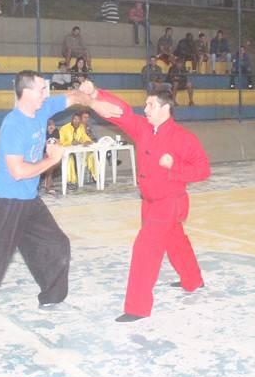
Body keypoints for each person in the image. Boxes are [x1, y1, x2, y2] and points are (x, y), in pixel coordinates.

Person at [0, 70, 122, 344]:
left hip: (29, 202)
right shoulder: (13, 125)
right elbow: (18, 171)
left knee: (56, 244)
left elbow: (72, 97)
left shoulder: (42, 109)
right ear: (27, 93)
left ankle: (51, 300)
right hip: (5, 203)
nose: (47, 93)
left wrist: (94, 102)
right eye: (42, 89)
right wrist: (52, 159)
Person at [81, 81, 210, 322]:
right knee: (175, 241)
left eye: (151, 105)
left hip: (170, 202)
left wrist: (175, 167)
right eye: (146, 104)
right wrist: (98, 93)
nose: (146, 109)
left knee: (145, 249)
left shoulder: (184, 138)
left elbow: (203, 170)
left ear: (165, 109)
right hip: (150, 202)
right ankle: (193, 280)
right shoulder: (143, 128)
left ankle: (137, 307)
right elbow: (123, 112)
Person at [59, 112, 96, 187]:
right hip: (67, 153)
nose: (77, 121)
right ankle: (71, 182)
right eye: (75, 119)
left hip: (79, 152)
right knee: (70, 159)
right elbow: (61, 142)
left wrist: (87, 141)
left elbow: (84, 137)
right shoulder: (64, 128)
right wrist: (70, 142)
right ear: (72, 119)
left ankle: (96, 178)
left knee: (92, 155)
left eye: (78, 120)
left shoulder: (81, 127)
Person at [41, 119, 60, 194]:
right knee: (49, 163)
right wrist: (49, 133)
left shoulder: (56, 131)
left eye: (53, 124)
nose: (51, 126)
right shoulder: (44, 132)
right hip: (44, 153)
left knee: (54, 161)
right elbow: (45, 146)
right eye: (49, 124)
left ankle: (48, 182)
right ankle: (48, 184)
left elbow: (58, 142)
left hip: (53, 153)